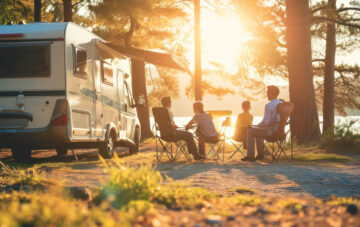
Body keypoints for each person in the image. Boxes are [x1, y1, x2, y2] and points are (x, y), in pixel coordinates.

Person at [242, 86, 282, 161]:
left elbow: (265, 122)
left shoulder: (269, 105)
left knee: (251, 131)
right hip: (280, 131)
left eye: (267, 93)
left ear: (271, 94)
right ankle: (260, 155)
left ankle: (250, 156)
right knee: (258, 130)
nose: (267, 95)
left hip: (271, 131)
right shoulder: (282, 104)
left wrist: (256, 126)